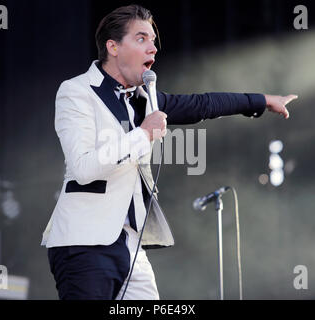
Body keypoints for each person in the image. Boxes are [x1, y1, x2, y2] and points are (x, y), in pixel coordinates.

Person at [41, 4, 297, 300]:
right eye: (141, 39)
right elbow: (83, 167)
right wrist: (143, 133)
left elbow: (202, 105)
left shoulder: (144, 99)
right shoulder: (77, 91)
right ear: (113, 47)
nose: (153, 48)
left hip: (130, 244)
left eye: (152, 40)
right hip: (84, 242)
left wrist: (262, 100)